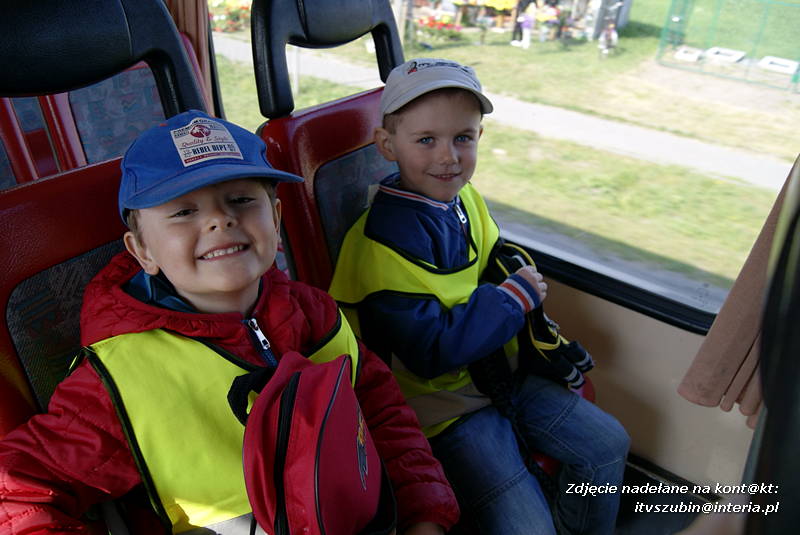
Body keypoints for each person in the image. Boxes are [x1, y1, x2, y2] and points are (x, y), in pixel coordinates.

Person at [0, 110, 459, 535]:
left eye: (241, 199)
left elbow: (379, 411)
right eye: (183, 211)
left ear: (275, 221)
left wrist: (424, 513)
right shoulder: (120, 381)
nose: (221, 219)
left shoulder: (315, 312)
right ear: (143, 252)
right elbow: (19, 496)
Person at [328, 59, 630, 535]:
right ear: (388, 146)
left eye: (462, 138)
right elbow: (431, 354)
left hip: (497, 373)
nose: (448, 156)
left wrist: (513, 280)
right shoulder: (377, 247)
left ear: (479, 138)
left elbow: (493, 255)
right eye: (426, 140)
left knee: (609, 444)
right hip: (440, 406)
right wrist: (512, 300)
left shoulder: (464, 200)